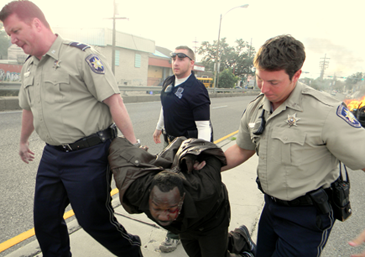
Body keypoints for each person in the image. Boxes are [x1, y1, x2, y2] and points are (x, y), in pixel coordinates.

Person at [0, 1, 142, 256]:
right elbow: (28, 108)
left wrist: (133, 148)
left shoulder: (81, 55)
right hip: (53, 155)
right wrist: (23, 141)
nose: (12, 40)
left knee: (93, 221)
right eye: (9, 34)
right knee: (45, 221)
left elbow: (114, 101)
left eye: (15, 31)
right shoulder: (29, 66)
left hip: (90, 154)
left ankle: (131, 251)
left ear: (36, 23)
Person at [221, 34, 365, 257]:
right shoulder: (257, 107)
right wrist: (203, 166)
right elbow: (242, 148)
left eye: (273, 82)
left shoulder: (326, 112)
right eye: (260, 78)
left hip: (307, 217)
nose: (263, 89)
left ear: (296, 75)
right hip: (271, 209)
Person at [108, 136, 257, 257]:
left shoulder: (205, 190)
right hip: (185, 227)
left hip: (212, 219)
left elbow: (213, 154)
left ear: (181, 202)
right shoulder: (137, 194)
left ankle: (242, 242)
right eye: (157, 208)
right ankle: (236, 238)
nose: (163, 216)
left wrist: (194, 160)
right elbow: (117, 149)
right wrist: (137, 152)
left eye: (170, 209)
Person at [152, 45, 213, 252]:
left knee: (181, 189)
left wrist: (199, 154)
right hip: (172, 143)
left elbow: (204, 126)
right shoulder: (169, 81)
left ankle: (176, 232)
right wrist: (159, 127)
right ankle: (178, 228)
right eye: (173, 58)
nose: (175, 61)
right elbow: (164, 106)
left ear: (191, 63)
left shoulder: (197, 90)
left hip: (188, 147)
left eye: (181, 58)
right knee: (171, 185)